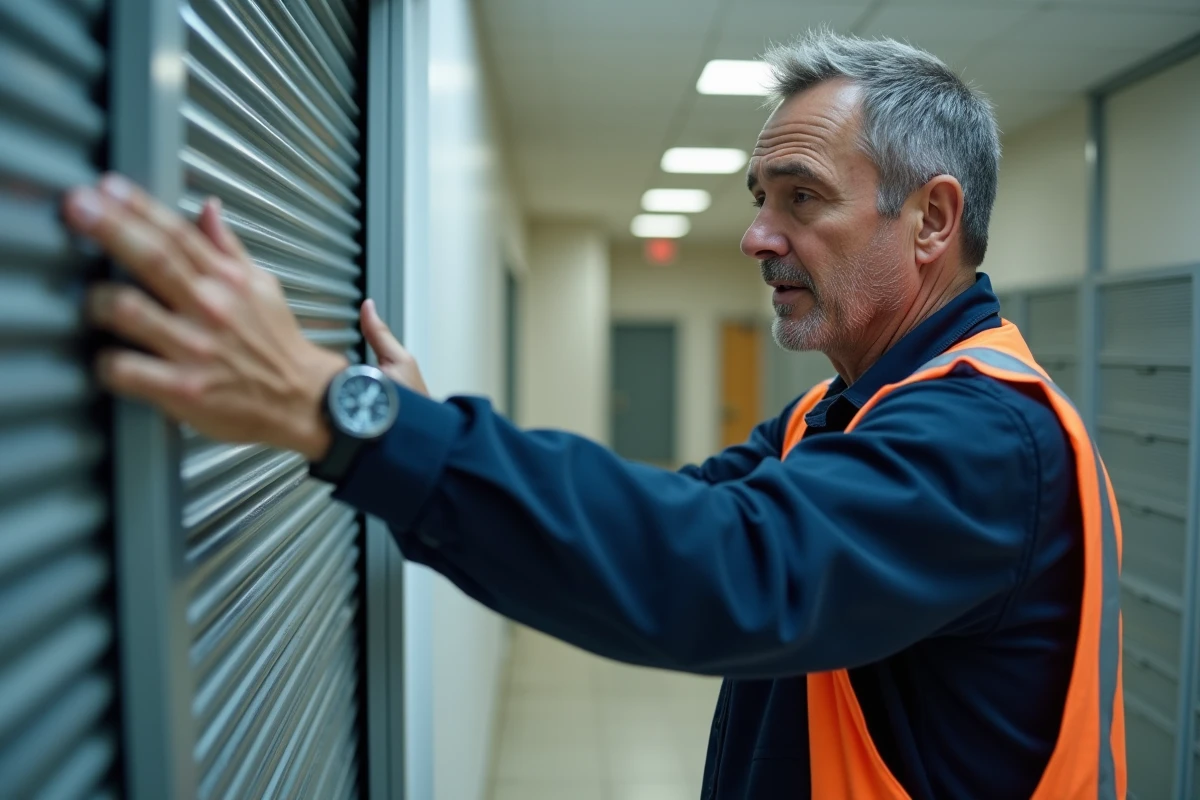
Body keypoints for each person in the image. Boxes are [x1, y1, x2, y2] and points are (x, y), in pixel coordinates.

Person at [63, 30, 1124, 800]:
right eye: (759, 196)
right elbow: (666, 512)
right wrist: (423, 438)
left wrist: (348, 416)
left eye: (799, 196)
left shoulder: (987, 439)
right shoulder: (843, 412)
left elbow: (721, 570)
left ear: (931, 218)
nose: (757, 233)